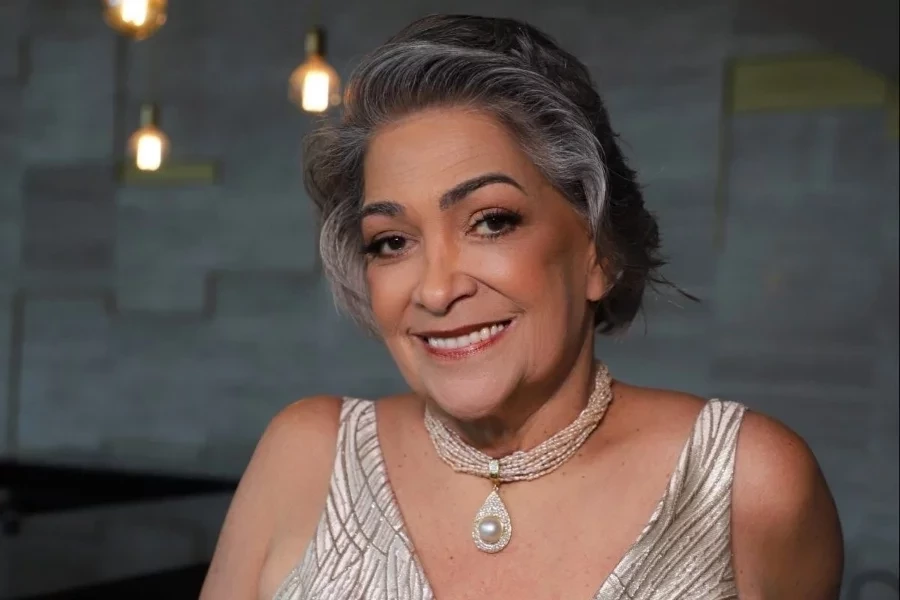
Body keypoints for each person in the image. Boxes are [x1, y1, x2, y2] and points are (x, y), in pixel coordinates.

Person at [200, 14, 844, 600]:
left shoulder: (746, 484)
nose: (435, 290)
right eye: (392, 242)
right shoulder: (305, 455)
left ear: (598, 250)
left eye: (491, 222)